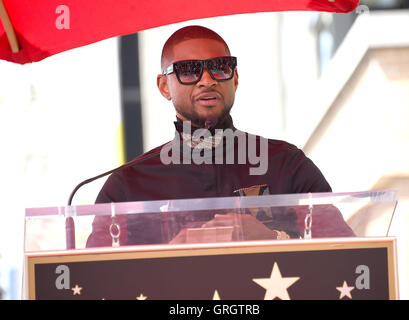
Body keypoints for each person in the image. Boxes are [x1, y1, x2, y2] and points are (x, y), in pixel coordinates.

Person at [86, 25, 354, 248]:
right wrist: (168, 256)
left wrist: (271, 238)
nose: (207, 80)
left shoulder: (286, 165)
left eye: (220, 67)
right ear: (164, 86)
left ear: (234, 79)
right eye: (190, 70)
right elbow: (97, 279)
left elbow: (344, 255)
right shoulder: (128, 185)